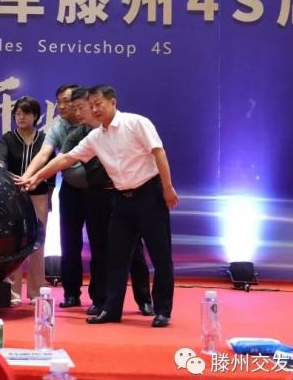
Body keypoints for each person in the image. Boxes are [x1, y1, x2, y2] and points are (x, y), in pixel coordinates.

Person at [19, 85, 179, 327]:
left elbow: (158, 152)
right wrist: (37, 177)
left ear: (112, 102)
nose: (94, 110)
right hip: (121, 198)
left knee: (160, 255)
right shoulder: (95, 137)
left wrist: (167, 187)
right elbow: (66, 158)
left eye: (98, 104)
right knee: (115, 257)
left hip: (150, 194)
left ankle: (162, 310)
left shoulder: (136, 123)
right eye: (91, 105)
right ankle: (111, 309)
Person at [63, 88, 153, 317]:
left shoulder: (124, 126)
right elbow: (63, 160)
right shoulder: (80, 135)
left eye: (82, 107)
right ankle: (100, 299)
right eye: (76, 109)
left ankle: (144, 299)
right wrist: (35, 176)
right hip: (96, 194)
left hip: (124, 193)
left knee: (134, 249)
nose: (80, 113)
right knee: (99, 248)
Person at [18, 83, 90, 308]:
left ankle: (101, 297)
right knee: (69, 242)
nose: (62, 106)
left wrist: (35, 177)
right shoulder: (59, 127)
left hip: (97, 190)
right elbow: (44, 155)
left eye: (67, 101)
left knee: (101, 243)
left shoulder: (93, 124)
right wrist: (27, 177)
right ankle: (71, 293)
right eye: (59, 102)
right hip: (70, 189)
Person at [0, 96, 53, 305]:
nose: (21, 117)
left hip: (39, 196)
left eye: (26, 113)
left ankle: (36, 292)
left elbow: (51, 170)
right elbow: (0, 159)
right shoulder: (8, 138)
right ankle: (13, 293)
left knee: (38, 242)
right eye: (17, 113)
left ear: (35, 116)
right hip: (14, 197)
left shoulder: (45, 139)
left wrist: (49, 197)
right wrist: (0, 168)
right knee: (14, 242)